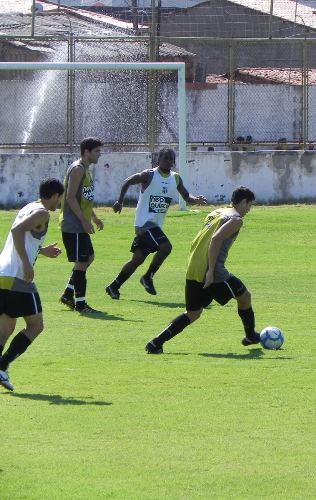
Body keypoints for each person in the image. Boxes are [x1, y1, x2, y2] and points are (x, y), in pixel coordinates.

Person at [145, 186, 260, 354]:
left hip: (194, 265)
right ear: (243, 202)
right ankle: (250, 335)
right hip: (212, 271)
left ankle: (156, 342)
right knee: (245, 296)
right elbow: (215, 239)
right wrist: (211, 271)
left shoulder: (217, 212)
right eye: (250, 205)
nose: (249, 209)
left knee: (193, 313)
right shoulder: (236, 219)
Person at [105, 148, 207, 299]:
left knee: (137, 260)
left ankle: (114, 286)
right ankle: (148, 277)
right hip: (144, 224)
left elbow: (186, 197)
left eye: (171, 159)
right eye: (166, 158)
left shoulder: (176, 178)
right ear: (158, 160)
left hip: (154, 227)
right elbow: (128, 181)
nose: (169, 161)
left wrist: (195, 200)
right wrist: (120, 201)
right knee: (166, 247)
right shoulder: (149, 175)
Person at [0, 178, 64, 391]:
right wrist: (27, 264)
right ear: (54, 195)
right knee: (36, 325)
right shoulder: (43, 213)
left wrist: (42, 250)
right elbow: (17, 231)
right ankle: (2, 366)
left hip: (3, 274)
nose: (59, 203)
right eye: (59, 198)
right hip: (18, 276)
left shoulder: (29, 206)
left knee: (7, 325)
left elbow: (26, 236)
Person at [59, 137, 105, 314]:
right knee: (81, 262)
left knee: (89, 258)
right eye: (97, 152)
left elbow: (83, 199)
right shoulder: (78, 169)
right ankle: (80, 304)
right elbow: (70, 197)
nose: (99, 155)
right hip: (74, 225)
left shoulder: (86, 169)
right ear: (86, 152)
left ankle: (68, 293)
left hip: (81, 224)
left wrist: (93, 217)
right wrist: (84, 221)